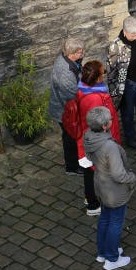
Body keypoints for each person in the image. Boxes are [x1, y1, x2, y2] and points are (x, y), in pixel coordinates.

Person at [83, 106, 136, 270]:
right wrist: (133, 178)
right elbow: (119, 174)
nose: (113, 121)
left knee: (105, 218)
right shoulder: (109, 146)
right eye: (110, 120)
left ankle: (103, 252)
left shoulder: (88, 136)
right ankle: (112, 258)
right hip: (114, 190)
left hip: (101, 184)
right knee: (115, 222)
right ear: (105, 126)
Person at [75, 60, 122, 216]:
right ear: (97, 77)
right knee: (94, 173)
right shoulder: (94, 98)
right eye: (102, 73)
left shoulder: (86, 89)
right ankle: (93, 204)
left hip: (91, 139)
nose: (104, 75)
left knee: (91, 171)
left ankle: (90, 198)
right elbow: (98, 122)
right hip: (98, 142)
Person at [107, 16, 136, 149]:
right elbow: (111, 69)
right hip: (127, 84)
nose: (135, 37)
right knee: (127, 114)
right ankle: (131, 139)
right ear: (124, 31)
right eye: (133, 35)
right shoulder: (115, 45)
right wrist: (113, 90)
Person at [48, 37, 84, 175]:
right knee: (70, 138)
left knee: (70, 137)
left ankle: (74, 162)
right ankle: (72, 167)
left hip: (66, 109)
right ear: (71, 53)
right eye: (80, 52)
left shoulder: (69, 60)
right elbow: (72, 94)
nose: (82, 54)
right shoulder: (64, 71)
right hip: (64, 111)